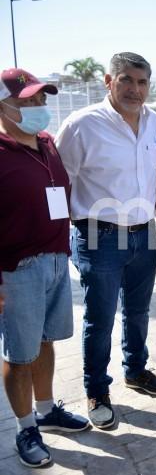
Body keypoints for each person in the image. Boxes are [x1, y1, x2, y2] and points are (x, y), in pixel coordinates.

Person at [57, 52, 156, 430]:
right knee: (100, 319)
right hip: (98, 236)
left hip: (144, 235)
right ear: (109, 81)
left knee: (138, 313)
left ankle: (135, 370)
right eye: (126, 80)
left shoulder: (155, 123)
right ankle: (96, 390)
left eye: (141, 82)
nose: (134, 90)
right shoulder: (82, 125)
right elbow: (59, 181)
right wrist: (62, 234)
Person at [0, 69, 89, 467]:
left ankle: (47, 409)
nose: (38, 107)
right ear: (4, 107)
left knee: (45, 341)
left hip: (56, 259)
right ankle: (25, 428)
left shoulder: (48, 144)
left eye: (41, 100)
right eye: (26, 102)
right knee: (19, 354)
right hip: (16, 270)